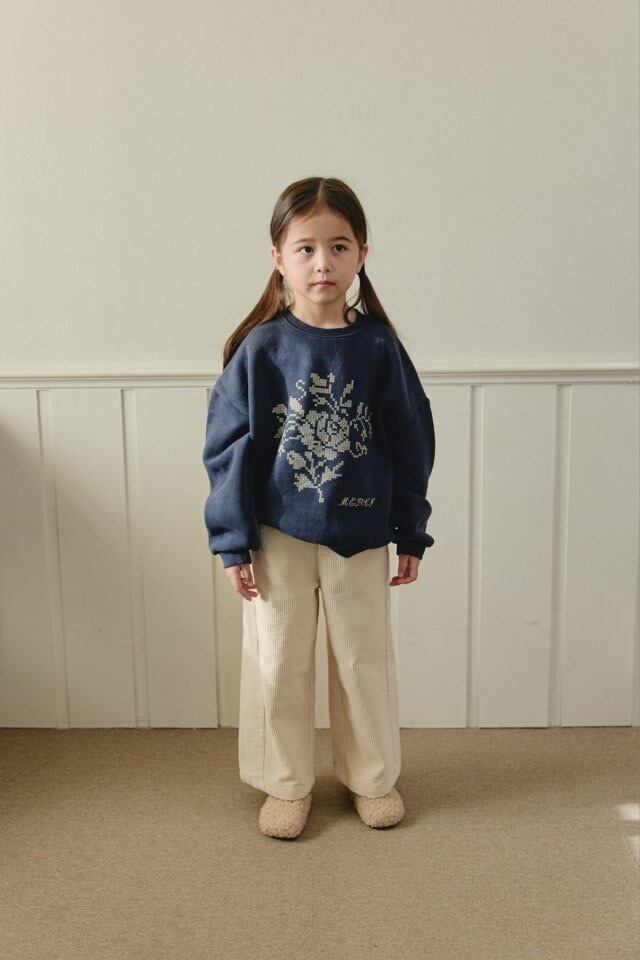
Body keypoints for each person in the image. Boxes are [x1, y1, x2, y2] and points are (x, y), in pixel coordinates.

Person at [202, 176, 436, 839]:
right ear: (278, 257)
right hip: (277, 534)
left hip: (360, 531)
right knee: (279, 660)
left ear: (362, 253)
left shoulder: (379, 347)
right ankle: (285, 783)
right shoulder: (261, 350)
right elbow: (227, 449)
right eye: (305, 248)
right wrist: (232, 539)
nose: (322, 263)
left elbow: (412, 438)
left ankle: (372, 778)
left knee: (364, 661)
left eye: (338, 246)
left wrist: (410, 531)